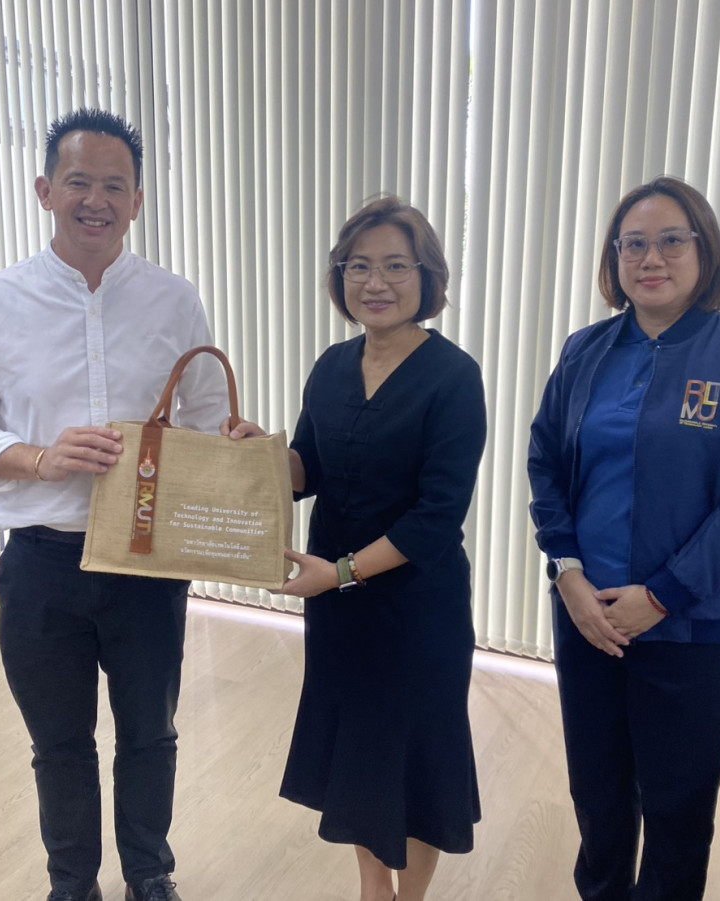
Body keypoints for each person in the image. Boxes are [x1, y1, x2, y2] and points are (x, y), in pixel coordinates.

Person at [0, 109, 229, 901]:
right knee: (59, 742)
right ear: (45, 190)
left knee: (150, 734)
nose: (95, 200)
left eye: (114, 186)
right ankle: (72, 883)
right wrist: (39, 457)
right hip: (41, 562)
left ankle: (149, 874)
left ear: (137, 202)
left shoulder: (174, 300)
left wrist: (221, 448)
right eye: (79, 182)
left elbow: (205, 418)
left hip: (147, 562)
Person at [527, 176, 720, 901]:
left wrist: (661, 595)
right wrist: (566, 570)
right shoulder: (585, 351)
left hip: (695, 624)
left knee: (678, 810)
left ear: (705, 251)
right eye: (634, 244)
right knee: (599, 795)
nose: (652, 258)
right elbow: (546, 462)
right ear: (613, 258)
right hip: (587, 615)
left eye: (672, 240)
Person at [226, 195, 487, 901]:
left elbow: (438, 515)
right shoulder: (333, 366)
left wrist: (340, 573)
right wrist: (262, 455)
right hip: (339, 603)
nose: (376, 282)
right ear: (340, 277)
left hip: (417, 605)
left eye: (396, 265)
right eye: (359, 266)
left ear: (427, 277)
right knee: (361, 752)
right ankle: (375, 889)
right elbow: (308, 469)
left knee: (419, 758)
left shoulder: (453, 376)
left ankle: (413, 896)